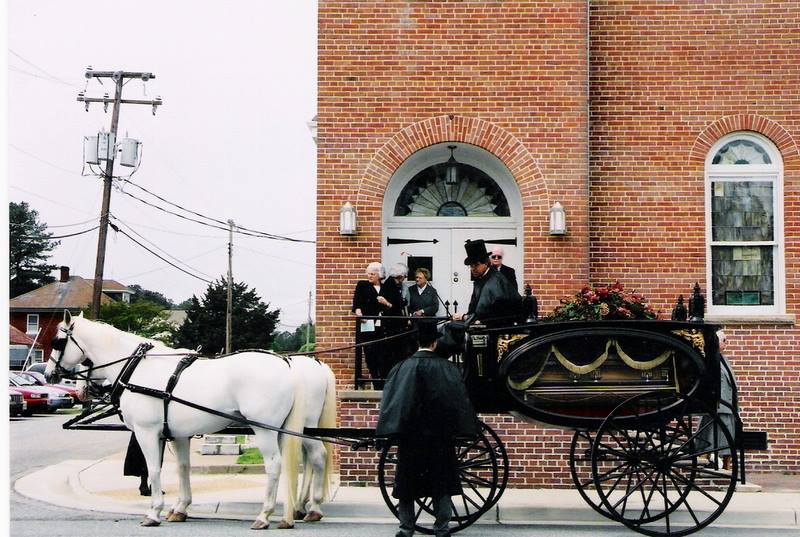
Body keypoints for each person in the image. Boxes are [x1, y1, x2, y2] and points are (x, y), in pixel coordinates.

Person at [376, 322, 480, 537]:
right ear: (435, 343)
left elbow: (392, 403)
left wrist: (388, 431)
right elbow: (458, 402)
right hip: (439, 438)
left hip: (410, 438)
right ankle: (441, 528)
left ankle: (406, 528)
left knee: (407, 485)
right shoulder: (448, 369)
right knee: (441, 484)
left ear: (417, 343)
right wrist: (464, 429)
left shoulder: (401, 368)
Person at [454, 239, 521, 326]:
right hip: (488, 323)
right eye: (471, 266)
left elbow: (483, 312)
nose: (472, 269)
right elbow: (473, 307)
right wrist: (468, 317)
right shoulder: (480, 279)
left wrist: (464, 317)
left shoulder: (494, 280)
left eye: (476, 265)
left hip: (502, 327)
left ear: (486, 263)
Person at [698, 329, 738, 470]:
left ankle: (728, 466)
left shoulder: (724, 359)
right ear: (715, 342)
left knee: (728, 438)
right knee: (709, 436)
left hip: (727, 405)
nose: (727, 343)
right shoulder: (710, 359)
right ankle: (703, 462)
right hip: (717, 405)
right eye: (724, 340)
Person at [352, 262, 394, 389]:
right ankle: (376, 382)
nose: (369, 276)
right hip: (368, 325)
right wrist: (360, 314)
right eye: (368, 273)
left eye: (372, 274)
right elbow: (356, 304)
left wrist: (386, 302)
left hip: (384, 326)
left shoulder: (386, 288)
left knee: (384, 354)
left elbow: (394, 307)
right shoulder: (362, 285)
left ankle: (384, 383)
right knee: (370, 354)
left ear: (379, 275)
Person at [382, 263, 412, 372]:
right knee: (396, 350)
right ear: (400, 275)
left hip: (395, 322)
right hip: (393, 323)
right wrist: (402, 302)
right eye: (404, 276)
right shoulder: (391, 286)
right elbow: (396, 304)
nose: (404, 279)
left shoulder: (393, 285)